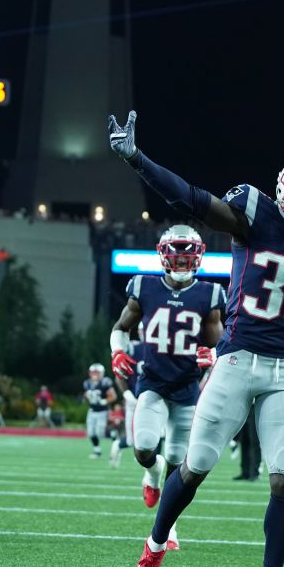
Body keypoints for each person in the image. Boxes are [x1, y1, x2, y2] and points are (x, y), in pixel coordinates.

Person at [109, 109, 284, 567]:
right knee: (194, 468)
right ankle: (152, 552)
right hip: (237, 359)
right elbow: (192, 200)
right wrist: (138, 161)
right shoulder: (255, 213)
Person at [108, 225, 225, 534]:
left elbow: (221, 345)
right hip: (153, 380)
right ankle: (152, 472)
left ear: (198, 257)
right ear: (163, 254)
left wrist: (211, 357)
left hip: (187, 386)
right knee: (144, 448)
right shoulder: (144, 287)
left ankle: (168, 522)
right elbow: (121, 327)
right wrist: (117, 351)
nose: (183, 260)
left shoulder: (208, 294)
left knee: (177, 457)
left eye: (189, 254)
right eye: (178, 253)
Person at [82, 364, 117, 459]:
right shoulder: (87, 383)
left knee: (100, 432)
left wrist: (105, 401)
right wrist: (85, 398)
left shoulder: (105, 382)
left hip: (102, 411)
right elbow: (85, 396)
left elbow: (113, 396)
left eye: (97, 372)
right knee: (91, 432)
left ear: (101, 373)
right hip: (92, 410)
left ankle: (114, 436)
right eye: (93, 372)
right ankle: (97, 451)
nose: (94, 374)